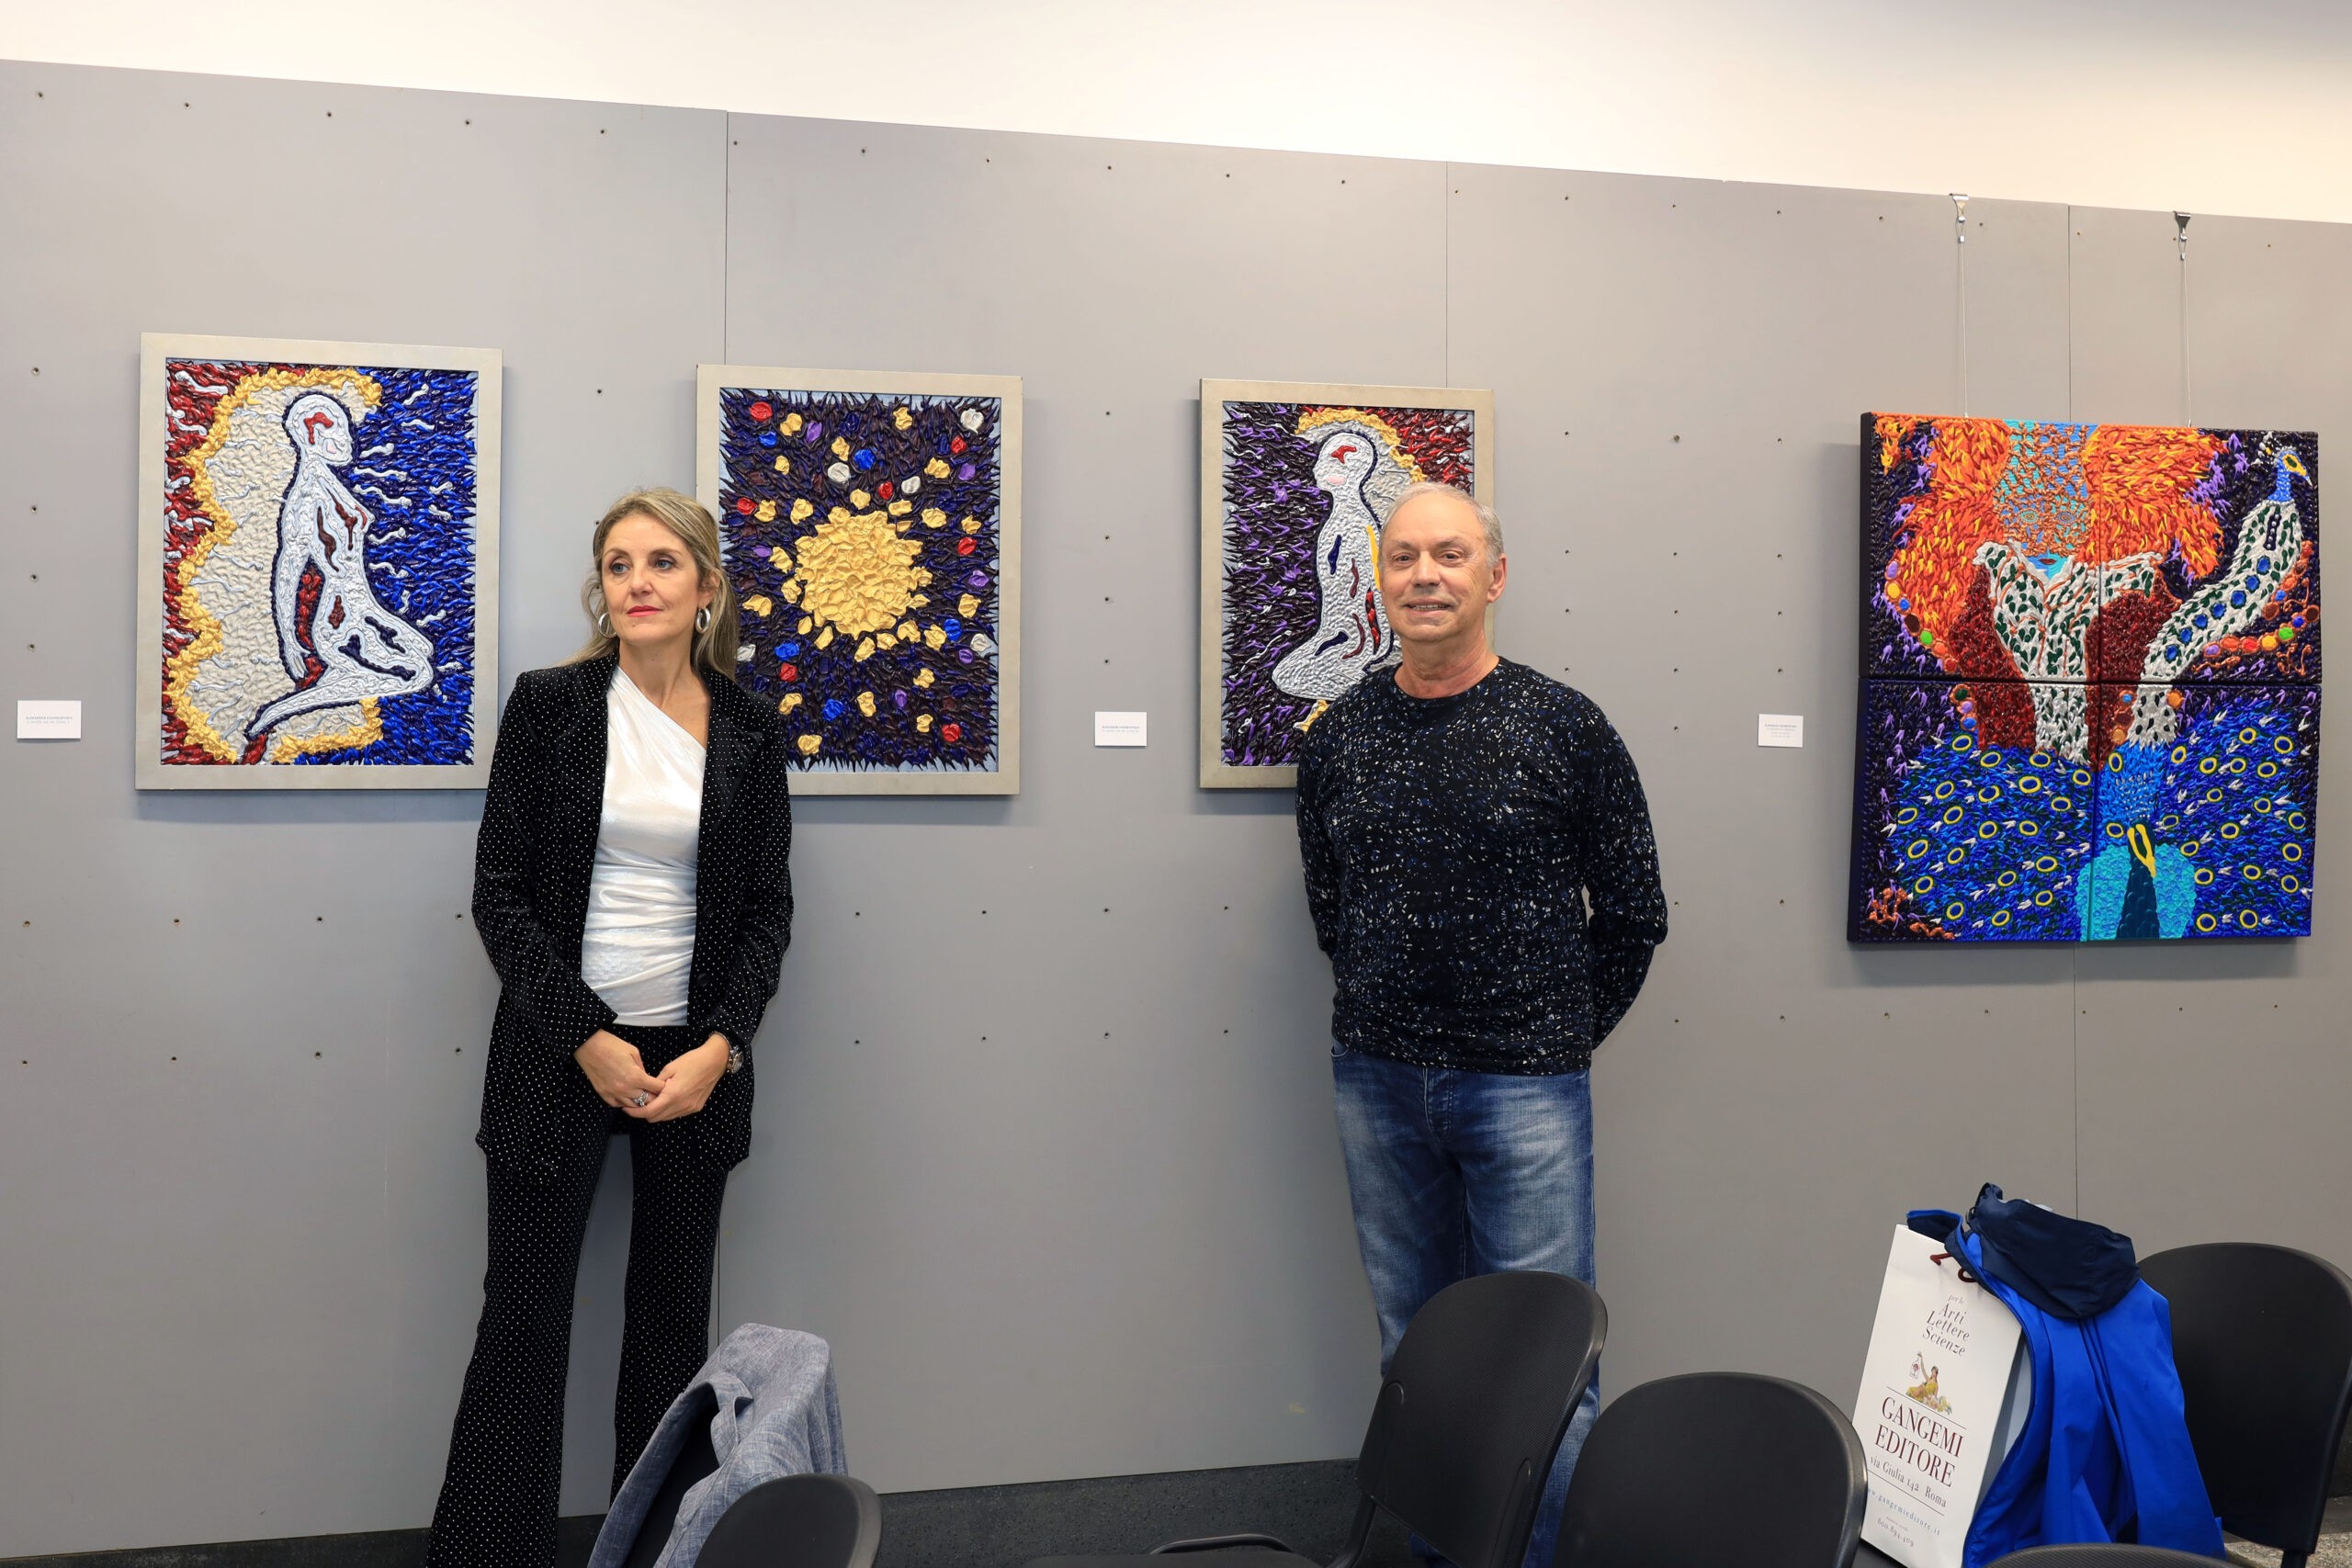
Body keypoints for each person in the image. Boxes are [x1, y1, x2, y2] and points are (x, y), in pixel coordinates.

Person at [1294, 481, 1667, 1568]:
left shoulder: (1564, 726)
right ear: (1379, 580)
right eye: (1404, 557)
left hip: (1525, 1087)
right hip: (1377, 1080)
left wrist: (1553, 1035)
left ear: (1494, 576)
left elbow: (1634, 913)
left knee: (1545, 1361)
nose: (1424, 576)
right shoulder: (1341, 736)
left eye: (1449, 555)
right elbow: (1330, 905)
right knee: (1416, 1357)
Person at [426, 487, 795, 1568]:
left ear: (707, 587)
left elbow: (767, 912)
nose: (638, 582)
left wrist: (722, 1047)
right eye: (619, 564)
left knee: (673, 1332)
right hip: (560, 1050)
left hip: (695, 1062)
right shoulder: (550, 706)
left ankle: (654, 1556)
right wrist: (586, 1036)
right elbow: (499, 894)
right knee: (523, 1325)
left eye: (662, 563)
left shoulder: (752, 727)